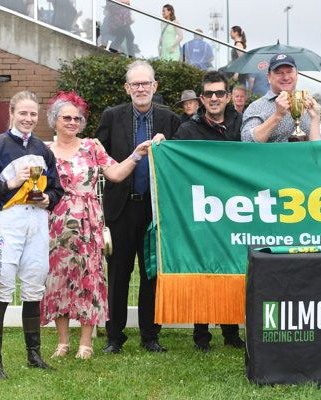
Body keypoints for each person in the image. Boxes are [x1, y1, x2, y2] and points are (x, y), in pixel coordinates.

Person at [40, 91, 157, 360]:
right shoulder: (45, 152)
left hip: (88, 222)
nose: (72, 122)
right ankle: (62, 342)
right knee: (57, 280)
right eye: (66, 118)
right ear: (54, 121)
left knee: (89, 279)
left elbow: (115, 173)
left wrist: (137, 154)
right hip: (56, 224)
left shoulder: (92, 146)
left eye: (76, 118)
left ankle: (86, 342)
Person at [0, 91, 64, 379]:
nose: (28, 119)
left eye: (33, 114)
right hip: (7, 224)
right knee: (1, 286)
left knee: (34, 286)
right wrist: (11, 182)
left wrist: (48, 199)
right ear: (12, 113)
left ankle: (34, 356)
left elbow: (57, 188)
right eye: (23, 113)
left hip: (36, 222)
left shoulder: (43, 148)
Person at [96, 60, 181, 354]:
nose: (141, 88)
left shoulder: (171, 120)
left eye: (146, 83)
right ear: (127, 88)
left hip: (155, 209)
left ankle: (150, 335)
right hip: (120, 207)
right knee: (118, 275)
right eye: (136, 84)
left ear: (154, 86)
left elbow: (181, 160)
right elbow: (98, 156)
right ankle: (114, 337)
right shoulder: (111, 117)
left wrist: (167, 144)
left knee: (151, 273)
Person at [173, 70, 245, 351]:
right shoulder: (188, 130)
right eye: (208, 94)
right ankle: (201, 335)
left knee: (232, 268)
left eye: (219, 93)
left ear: (228, 97)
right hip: (203, 210)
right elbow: (174, 163)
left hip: (237, 210)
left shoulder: (242, 124)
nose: (214, 99)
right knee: (204, 270)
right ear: (201, 98)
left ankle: (231, 332)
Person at [241, 53, 321, 142]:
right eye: (279, 73)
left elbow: (316, 147)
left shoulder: (309, 107)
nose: (286, 77)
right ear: (269, 77)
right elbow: (248, 141)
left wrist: (315, 118)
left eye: (290, 71)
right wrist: (277, 115)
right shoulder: (256, 107)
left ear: (296, 74)